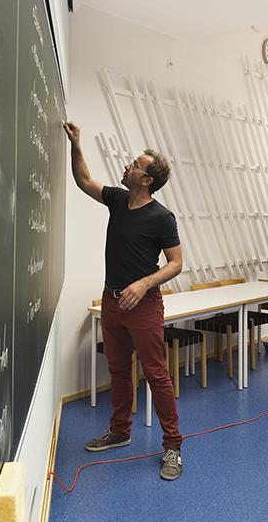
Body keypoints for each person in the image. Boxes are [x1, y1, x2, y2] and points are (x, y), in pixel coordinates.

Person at [64, 120, 185, 481]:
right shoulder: (117, 200)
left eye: (135, 164)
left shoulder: (162, 217)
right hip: (111, 300)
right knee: (118, 369)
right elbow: (84, 180)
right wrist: (77, 145)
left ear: (147, 179)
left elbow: (177, 263)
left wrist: (144, 283)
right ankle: (120, 430)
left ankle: (173, 446)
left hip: (143, 304)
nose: (127, 166)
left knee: (156, 374)